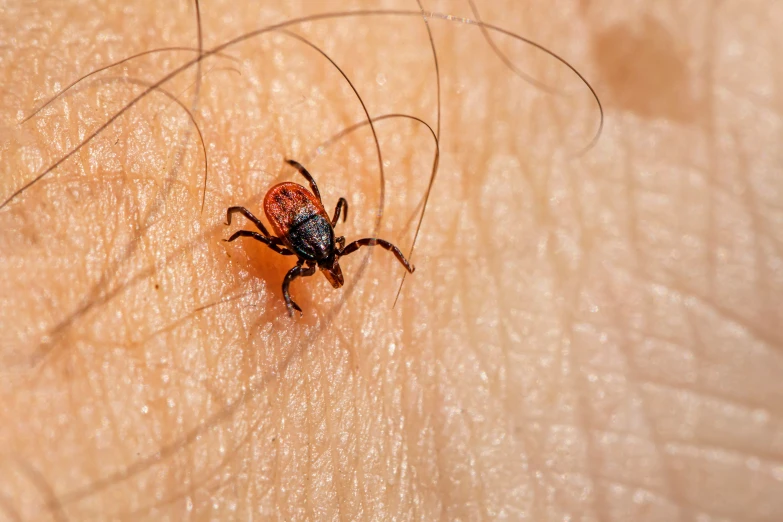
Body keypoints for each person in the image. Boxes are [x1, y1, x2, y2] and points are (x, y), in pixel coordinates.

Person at [1, 1, 780, 519]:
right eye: (321, 259)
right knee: (262, 244)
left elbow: (300, 215)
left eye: (325, 257)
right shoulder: (300, 238)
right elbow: (276, 221)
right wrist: (276, 266)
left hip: (289, 199)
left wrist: (316, 241)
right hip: (284, 201)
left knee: (287, 235)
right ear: (315, 241)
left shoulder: (311, 237)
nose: (327, 259)